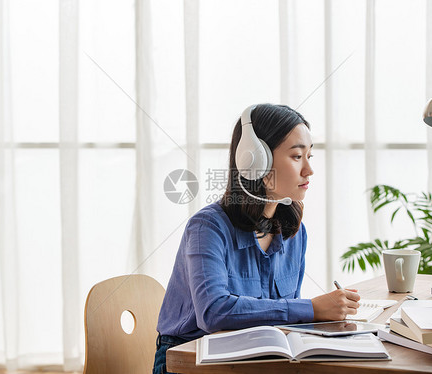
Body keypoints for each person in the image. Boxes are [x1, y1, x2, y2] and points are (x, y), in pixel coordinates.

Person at [153, 104, 360, 374]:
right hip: (191, 358)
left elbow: (281, 316)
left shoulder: (294, 231)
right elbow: (213, 312)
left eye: (310, 155)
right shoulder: (207, 228)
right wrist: (311, 308)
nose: (309, 170)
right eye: (297, 156)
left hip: (255, 357)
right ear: (255, 162)